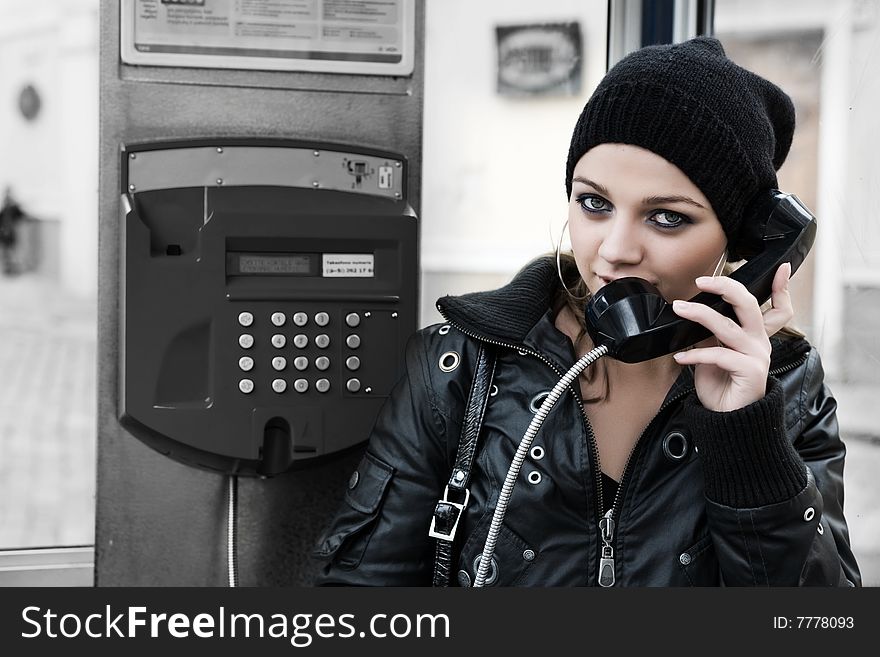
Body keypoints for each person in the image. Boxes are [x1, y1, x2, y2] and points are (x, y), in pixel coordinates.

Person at [313, 37, 861, 586]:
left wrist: (746, 439)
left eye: (667, 217)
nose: (615, 248)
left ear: (740, 245)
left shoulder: (786, 388)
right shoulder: (459, 367)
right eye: (594, 203)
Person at [0, 187, 25, 275]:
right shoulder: (5, 209)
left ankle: (13, 270)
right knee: (7, 252)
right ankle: (8, 270)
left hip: (10, 233)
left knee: (12, 251)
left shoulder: (13, 208)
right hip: (4, 233)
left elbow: (21, 214)